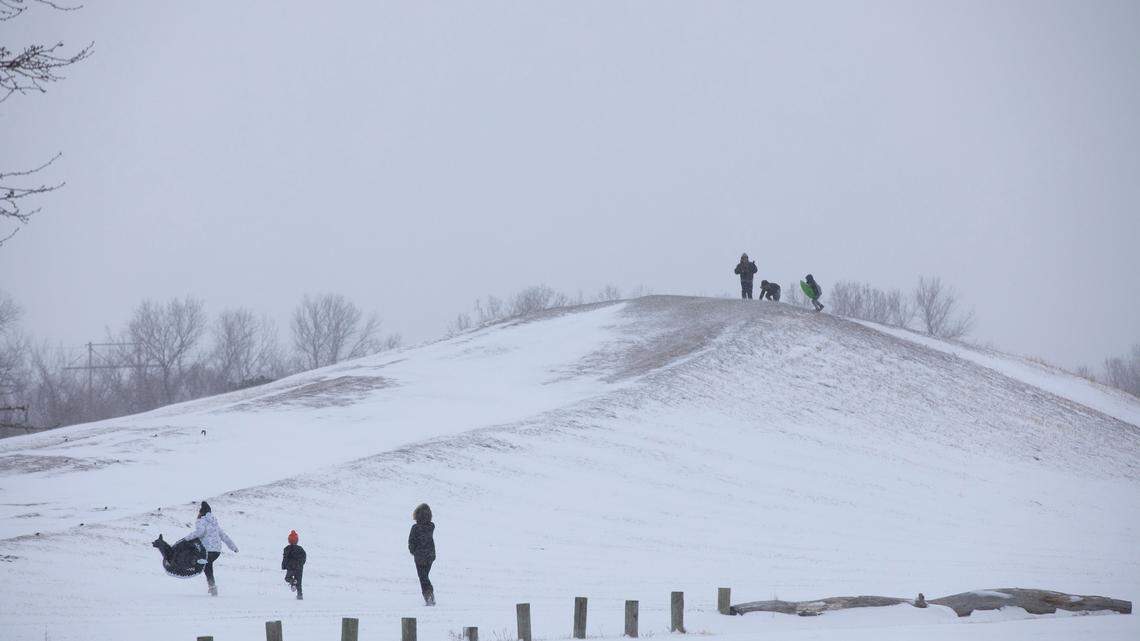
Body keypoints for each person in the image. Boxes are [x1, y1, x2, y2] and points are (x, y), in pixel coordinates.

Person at [177, 501, 238, 596]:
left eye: (199, 512)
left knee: (198, 561)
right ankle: (212, 587)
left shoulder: (201, 521)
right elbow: (224, 536)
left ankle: (211, 586)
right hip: (216, 552)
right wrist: (233, 547)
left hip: (207, 550)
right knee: (207, 566)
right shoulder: (215, 524)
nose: (197, 514)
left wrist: (185, 539)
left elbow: (200, 532)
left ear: (202, 512)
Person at [408, 503, 436, 606]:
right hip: (430, 556)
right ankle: (430, 595)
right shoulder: (431, 526)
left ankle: (429, 596)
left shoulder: (415, 528)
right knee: (425, 576)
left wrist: (413, 551)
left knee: (423, 577)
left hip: (420, 556)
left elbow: (411, 541)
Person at [282, 529, 307, 600]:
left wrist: (284, 566)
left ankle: (293, 582)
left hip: (290, 567)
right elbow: (304, 557)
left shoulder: (286, 549)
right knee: (299, 582)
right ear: (297, 540)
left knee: (287, 578)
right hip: (299, 568)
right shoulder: (300, 549)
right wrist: (301, 564)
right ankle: (300, 595)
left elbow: (285, 558)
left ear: (289, 540)